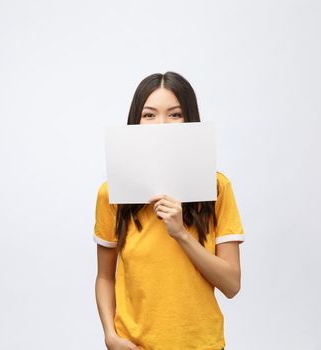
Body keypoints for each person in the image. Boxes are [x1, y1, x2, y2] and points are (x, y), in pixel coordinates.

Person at [93, 71, 244, 350]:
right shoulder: (112, 194)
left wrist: (182, 234)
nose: (161, 124)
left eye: (174, 114)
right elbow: (104, 276)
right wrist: (110, 336)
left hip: (202, 344)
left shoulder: (217, 188)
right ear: (135, 121)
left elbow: (232, 285)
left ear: (189, 119)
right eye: (149, 115)